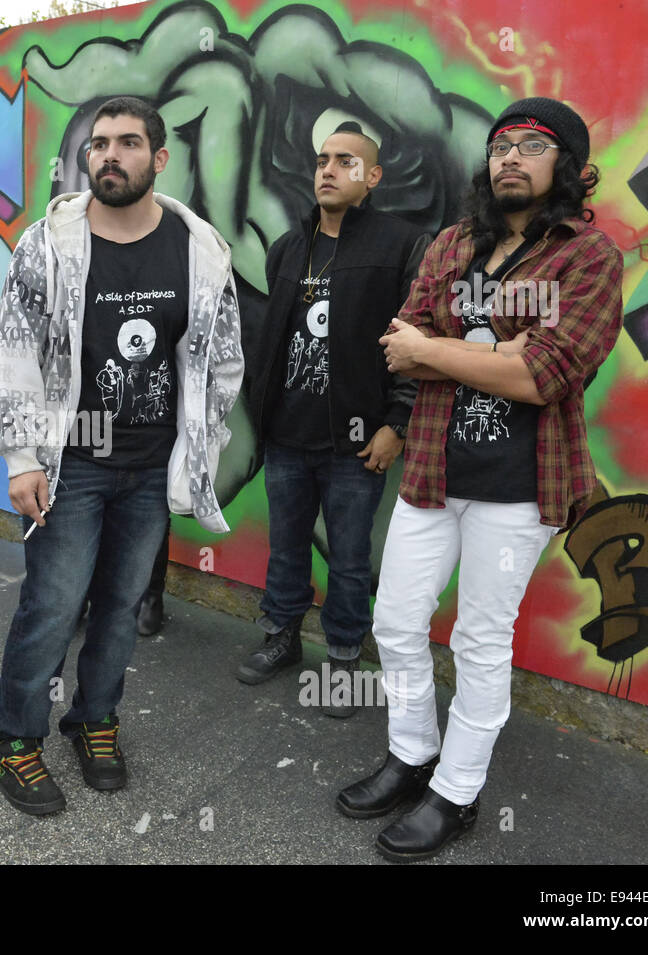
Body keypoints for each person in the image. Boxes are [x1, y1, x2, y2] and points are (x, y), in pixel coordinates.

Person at [337, 98, 623, 860]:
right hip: (433, 466)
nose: (510, 157)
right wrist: (476, 352)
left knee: (479, 641)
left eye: (533, 146)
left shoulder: (587, 256)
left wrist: (442, 350)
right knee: (395, 620)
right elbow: (401, 339)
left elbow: (547, 373)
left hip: (521, 484)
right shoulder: (453, 244)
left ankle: (455, 793)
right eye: (501, 145)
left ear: (565, 165)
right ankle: (411, 752)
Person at [0, 96, 243, 815]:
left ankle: (94, 718)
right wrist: (22, 457)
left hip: (149, 466)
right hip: (74, 459)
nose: (109, 155)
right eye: (99, 144)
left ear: (158, 160)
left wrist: (199, 449)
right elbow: (18, 351)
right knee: (54, 603)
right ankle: (11, 736)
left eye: (128, 143)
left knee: (122, 607)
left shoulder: (199, 250)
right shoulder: (48, 244)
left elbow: (222, 361)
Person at [242, 122, 429, 717]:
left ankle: (345, 657)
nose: (328, 169)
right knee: (287, 546)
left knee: (349, 557)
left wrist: (396, 422)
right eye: (322, 159)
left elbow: (416, 340)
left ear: (372, 177)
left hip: (356, 442)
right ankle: (282, 638)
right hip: (286, 436)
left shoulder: (400, 245)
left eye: (346, 161)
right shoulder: (288, 248)